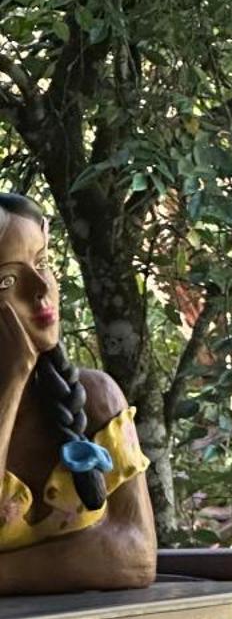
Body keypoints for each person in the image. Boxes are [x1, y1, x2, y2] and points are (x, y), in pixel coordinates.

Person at [0, 192, 155, 594]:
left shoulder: (96, 396)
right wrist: (13, 380)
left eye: (42, 263)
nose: (41, 290)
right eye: (8, 280)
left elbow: (136, 558)